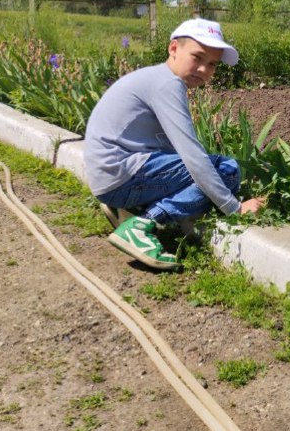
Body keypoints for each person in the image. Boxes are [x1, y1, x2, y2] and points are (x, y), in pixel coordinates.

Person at [84, 18, 265, 270]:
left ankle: (129, 209)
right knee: (227, 170)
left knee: (208, 170)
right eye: (197, 57)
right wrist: (234, 208)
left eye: (212, 64)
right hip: (120, 176)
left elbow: (169, 149)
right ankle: (142, 225)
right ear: (173, 49)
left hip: (109, 175)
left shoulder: (154, 77)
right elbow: (191, 155)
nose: (203, 69)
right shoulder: (167, 84)